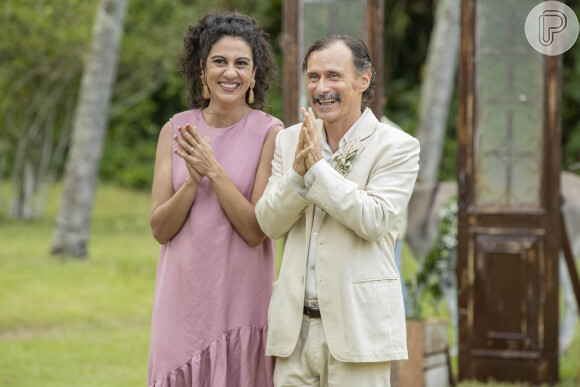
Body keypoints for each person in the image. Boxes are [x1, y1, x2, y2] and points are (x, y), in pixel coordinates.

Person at [255, 35, 420, 386]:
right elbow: (269, 223)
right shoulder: (289, 139)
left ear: (364, 80)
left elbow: (374, 220)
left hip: (358, 329)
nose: (321, 87)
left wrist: (317, 171)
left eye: (333, 76)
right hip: (293, 332)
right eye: (313, 77)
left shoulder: (398, 146)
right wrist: (298, 176)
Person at [147, 13, 283, 387]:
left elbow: (257, 230)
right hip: (182, 301)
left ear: (254, 76)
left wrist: (213, 170)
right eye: (219, 61)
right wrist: (191, 182)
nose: (231, 73)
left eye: (242, 63)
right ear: (201, 69)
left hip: (242, 302)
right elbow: (160, 229)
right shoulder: (175, 129)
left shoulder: (271, 133)